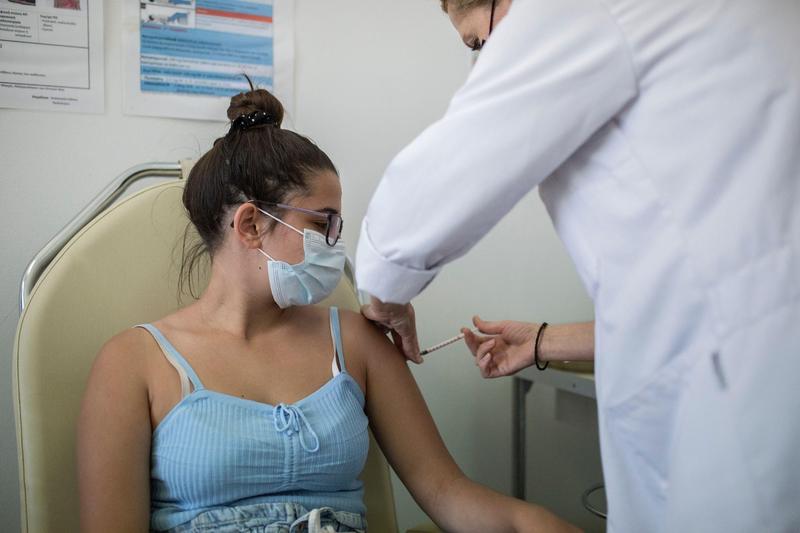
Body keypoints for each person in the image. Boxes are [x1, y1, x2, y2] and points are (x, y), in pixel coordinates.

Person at [356, 0, 800, 531]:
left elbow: (410, 218)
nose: (485, 63)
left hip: (747, 392)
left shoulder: (570, 11)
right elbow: (698, 287)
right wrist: (542, 341)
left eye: (477, 43)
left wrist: (383, 298)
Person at [76, 86, 577, 533]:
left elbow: (449, 495)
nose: (335, 246)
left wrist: (536, 523)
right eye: (323, 225)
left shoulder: (356, 342)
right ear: (250, 225)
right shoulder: (133, 363)